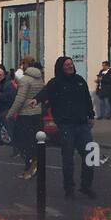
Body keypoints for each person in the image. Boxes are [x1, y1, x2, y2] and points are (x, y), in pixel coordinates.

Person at [33, 56, 96, 199]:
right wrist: (36, 100)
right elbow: (45, 93)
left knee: (91, 156)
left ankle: (86, 186)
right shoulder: (55, 83)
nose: (70, 66)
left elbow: (87, 99)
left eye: (71, 64)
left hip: (82, 125)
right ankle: (69, 189)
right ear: (61, 67)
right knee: (68, 159)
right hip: (66, 125)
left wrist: (91, 116)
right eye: (66, 64)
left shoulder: (80, 80)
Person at [8, 58, 44, 179]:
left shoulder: (25, 80)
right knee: (34, 142)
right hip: (37, 113)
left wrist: (10, 113)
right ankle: (34, 165)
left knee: (22, 142)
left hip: (25, 115)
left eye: (22, 63)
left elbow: (20, 98)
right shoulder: (39, 78)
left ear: (26, 64)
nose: (21, 66)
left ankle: (29, 168)